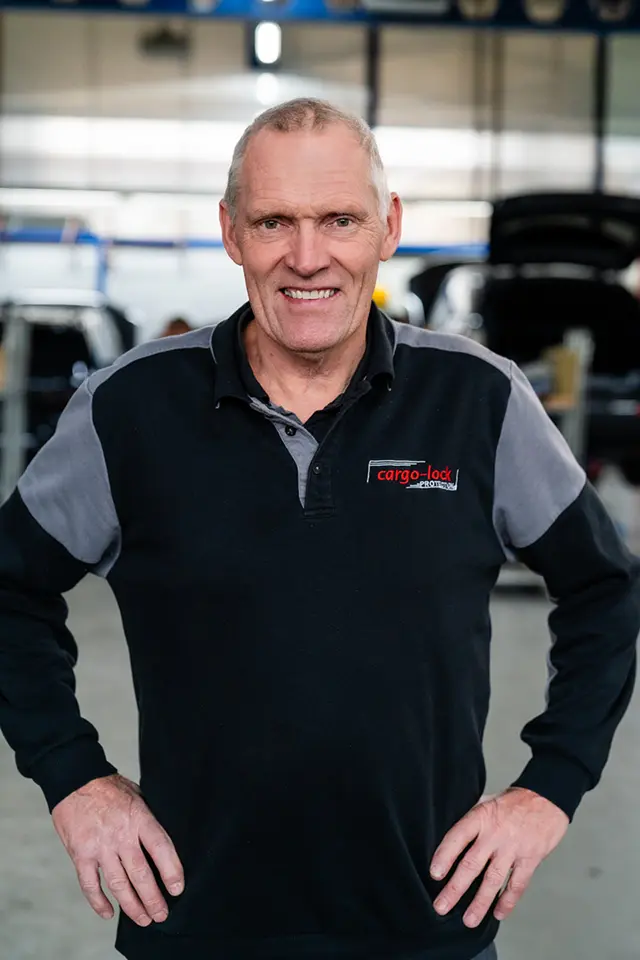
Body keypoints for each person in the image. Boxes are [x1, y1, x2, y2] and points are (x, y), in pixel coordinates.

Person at [0, 98, 637, 960]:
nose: (308, 257)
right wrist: (73, 776)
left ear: (389, 227)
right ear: (231, 231)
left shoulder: (479, 402)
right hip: (198, 928)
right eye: (275, 222)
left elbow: (606, 589)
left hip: (426, 929)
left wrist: (550, 789)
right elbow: (10, 588)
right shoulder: (129, 410)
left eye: (340, 219)